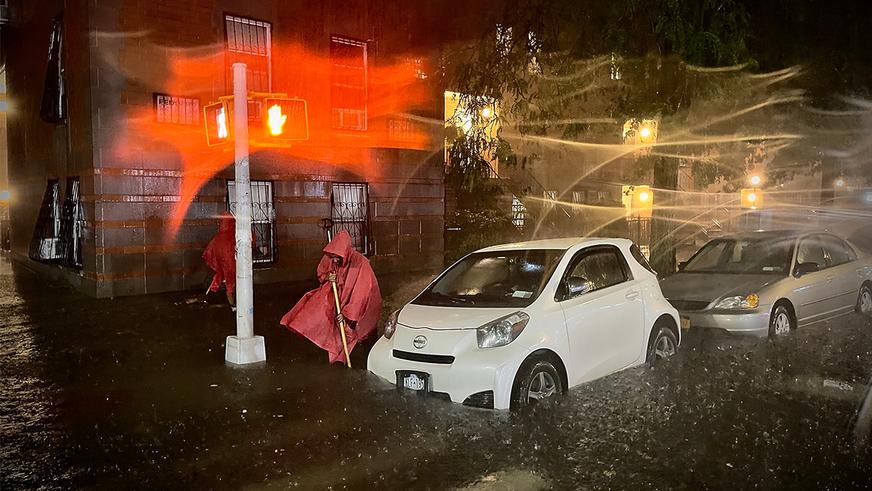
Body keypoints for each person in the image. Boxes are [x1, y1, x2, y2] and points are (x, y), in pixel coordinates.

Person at [280, 230, 382, 364]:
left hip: (362, 307)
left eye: (337, 257)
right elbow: (322, 273)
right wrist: (327, 276)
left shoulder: (361, 264)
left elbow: (361, 296)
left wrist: (347, 315)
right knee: (319, 310)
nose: (334, 260)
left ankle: (364, 359)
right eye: (332, 256)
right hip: (341, 297)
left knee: (363, 337)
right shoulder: (330, 257)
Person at [203, 215, 237, 311]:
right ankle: (233, 304)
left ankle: (231, 304)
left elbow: (210, 250)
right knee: (231, 284)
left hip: (222, 264)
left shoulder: (218, 237)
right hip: (232, 264)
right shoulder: (232, 236)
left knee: (221, 280)